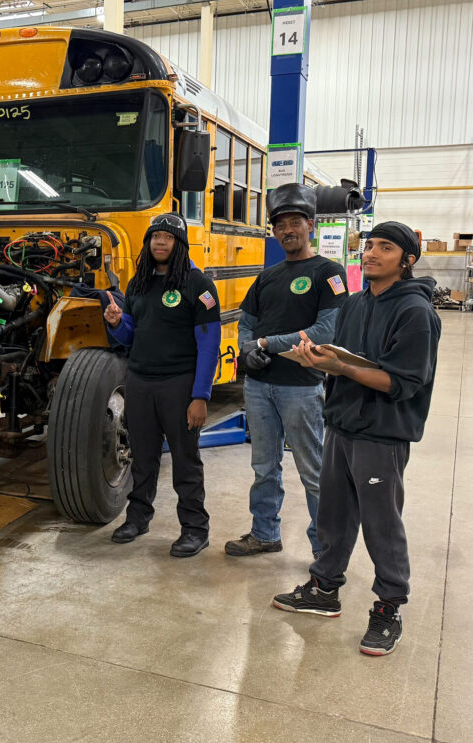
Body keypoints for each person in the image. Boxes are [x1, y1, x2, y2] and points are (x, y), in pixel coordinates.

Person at [272, 221, 440, 657]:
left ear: (407, 260)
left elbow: (401, 382)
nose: (370, 254)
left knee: (382, 524)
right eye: (368, 246)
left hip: (381, 434)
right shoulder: (356, 304)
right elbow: (344, 360)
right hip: (343, 425)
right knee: (334, 514)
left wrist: (344, 369)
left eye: (385, 248)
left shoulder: (415, 313)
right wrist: (318, 360)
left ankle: (388, 606)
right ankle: (325, 588)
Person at [226, 183, 348, 559]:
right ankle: (265, 534)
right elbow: (246, 322)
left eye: (295, 222)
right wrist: (248, 348)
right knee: (264, 466)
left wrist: (265, 345)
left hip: (301, 387)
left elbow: (326, 331)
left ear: (311, 225)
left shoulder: (329, 272)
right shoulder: (267, 276)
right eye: (280, 225)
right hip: (260, 388)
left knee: (314, 473)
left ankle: (324, 552)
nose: (287, 230)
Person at [103, 212, 221, 557]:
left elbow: (209, 343)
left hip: (179, 383)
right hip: (139, 381)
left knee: (185, 461)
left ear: (179, 244)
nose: (159, 242)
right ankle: (138, 517)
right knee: (142, 456)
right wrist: (115, 323)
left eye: (168, 238)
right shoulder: (138, 283)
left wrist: (200, 395)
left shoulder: (198, 285)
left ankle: (195, 529)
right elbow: (130, 337)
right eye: (155, 236)